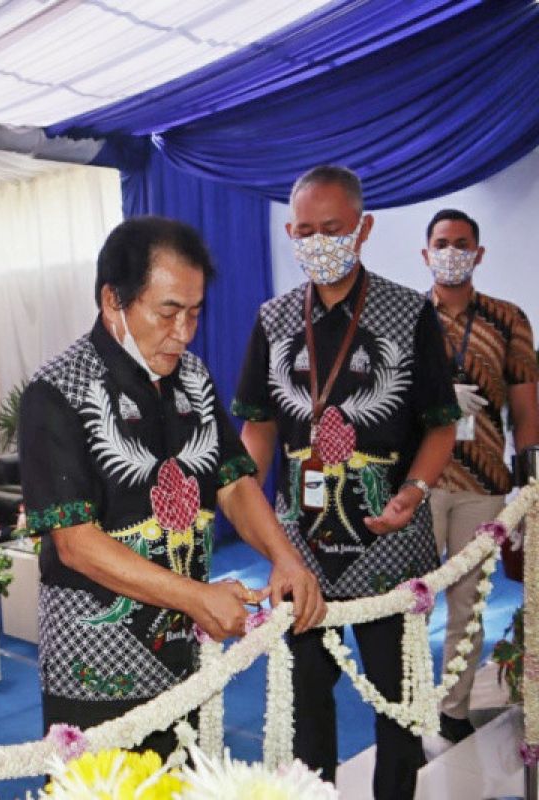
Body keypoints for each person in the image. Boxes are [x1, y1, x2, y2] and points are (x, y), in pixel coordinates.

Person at [19, 216, 325, 757]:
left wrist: (286, 558)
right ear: (113, 301)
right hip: (97, 664)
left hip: (183, 650)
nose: (184, 332)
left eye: (195, 313)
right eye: (167, 312)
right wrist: (196, 597)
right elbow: (76, 542)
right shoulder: (56, 391)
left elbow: (233, 482)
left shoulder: (193, 377)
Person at [233, 166, 458, 798]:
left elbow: (441, 427)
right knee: (305, 701)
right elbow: (257, 428)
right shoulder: (274, 319)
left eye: (331, 228)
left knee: (398, 701)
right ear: (289, 232)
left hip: (389, 538)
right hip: (298, 547)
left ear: (362, 229)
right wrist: (246, 500)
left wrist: (413, 491)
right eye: (304, 230)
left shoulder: (408, 312)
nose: (317, 241)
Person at [420, 209, 539, 743]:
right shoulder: (407, 316)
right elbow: (387, 399)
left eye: (461, 242)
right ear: (426, 254)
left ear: (479, 253)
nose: (451, 251)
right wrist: (440, 398)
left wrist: (529, 477)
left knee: (468, 606)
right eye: (441, 243)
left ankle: (454, 707)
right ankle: (408, 704)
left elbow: (525, 407)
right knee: (411, 599)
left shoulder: (509, 318)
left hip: (485, 481)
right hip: (417, 481)